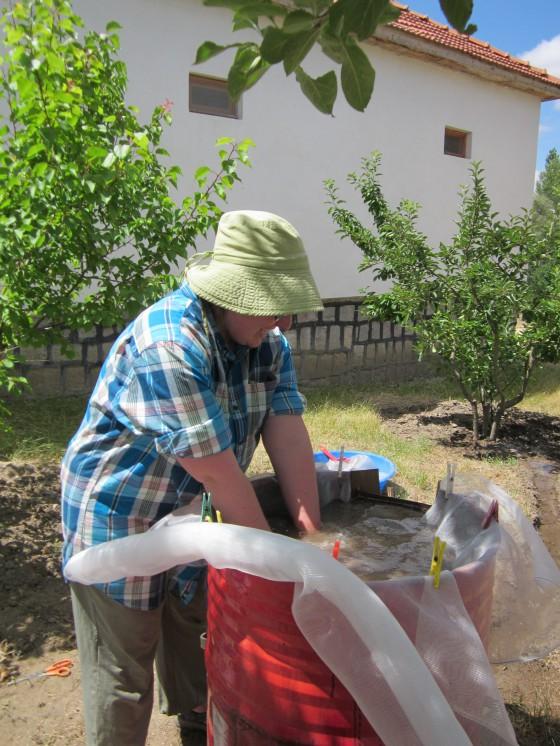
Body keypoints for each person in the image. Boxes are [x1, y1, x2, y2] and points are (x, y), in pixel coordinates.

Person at [60, 210, 323, 745]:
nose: (283, 325)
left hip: (193, 509)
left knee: (201, 641)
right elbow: (223, 477)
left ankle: (197, 728)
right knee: (123, 674)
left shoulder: (269, 345)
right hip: (119, 514)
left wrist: (314, 539)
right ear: (232, 295)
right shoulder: (170, 345)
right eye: (274, 310)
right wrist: (282, 567)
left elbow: (289, 434)